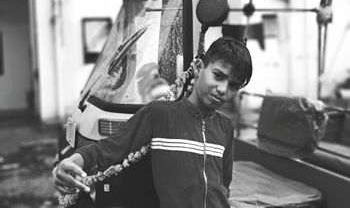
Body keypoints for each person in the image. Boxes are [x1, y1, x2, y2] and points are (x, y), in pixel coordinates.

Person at [53, 36, 253, 208]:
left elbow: (223, 184)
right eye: (218, 76)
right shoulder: (160, 114)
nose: (222, 89)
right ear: (200, 67)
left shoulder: (225, 127)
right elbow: (109, 148)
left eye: (233, 85)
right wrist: (71, 161)